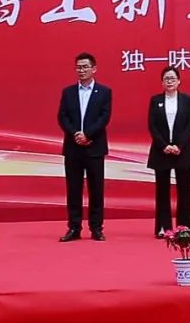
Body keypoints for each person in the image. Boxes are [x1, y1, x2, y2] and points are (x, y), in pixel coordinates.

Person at [57, 52, 112, 242]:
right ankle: (74, 227)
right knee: (73, 189)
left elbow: (104, 117)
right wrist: (76, 134)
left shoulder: (104, 92)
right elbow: (62, 116)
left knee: (96, 189)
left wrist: (87, 135)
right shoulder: (68, 92)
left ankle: (96, 228)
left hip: (94, 146)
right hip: (73, 147)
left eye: (85, 67)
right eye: (78, 67)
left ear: (94, 69)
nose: (81, 70)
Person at [148, 66, 190, 237]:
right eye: (166, 79)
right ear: (162, 82)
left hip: (182, 151)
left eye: (172, 78)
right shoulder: (155, 100)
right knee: (162, 191)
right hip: (161, 151)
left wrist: (179, 145)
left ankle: (185, 227)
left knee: (184, 190)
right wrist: (164, 145)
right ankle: (163, 227)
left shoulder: (186, 100)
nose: (169, 81)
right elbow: (152, 126)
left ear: (179, 81)